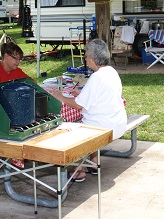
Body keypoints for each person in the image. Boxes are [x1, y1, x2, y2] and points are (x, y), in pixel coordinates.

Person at [48, 38, 127, 182]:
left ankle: (78, 170)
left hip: (104, 127)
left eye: (86, 55)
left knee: (67, 130)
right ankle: (94, 164)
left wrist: (60, 96)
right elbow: (97, 97)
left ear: (92, 59)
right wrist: (80, 94)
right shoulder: (111, 72)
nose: (85, 58)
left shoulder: (97, 77)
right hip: (117, 122)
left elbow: (78, 105)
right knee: (83, 120)